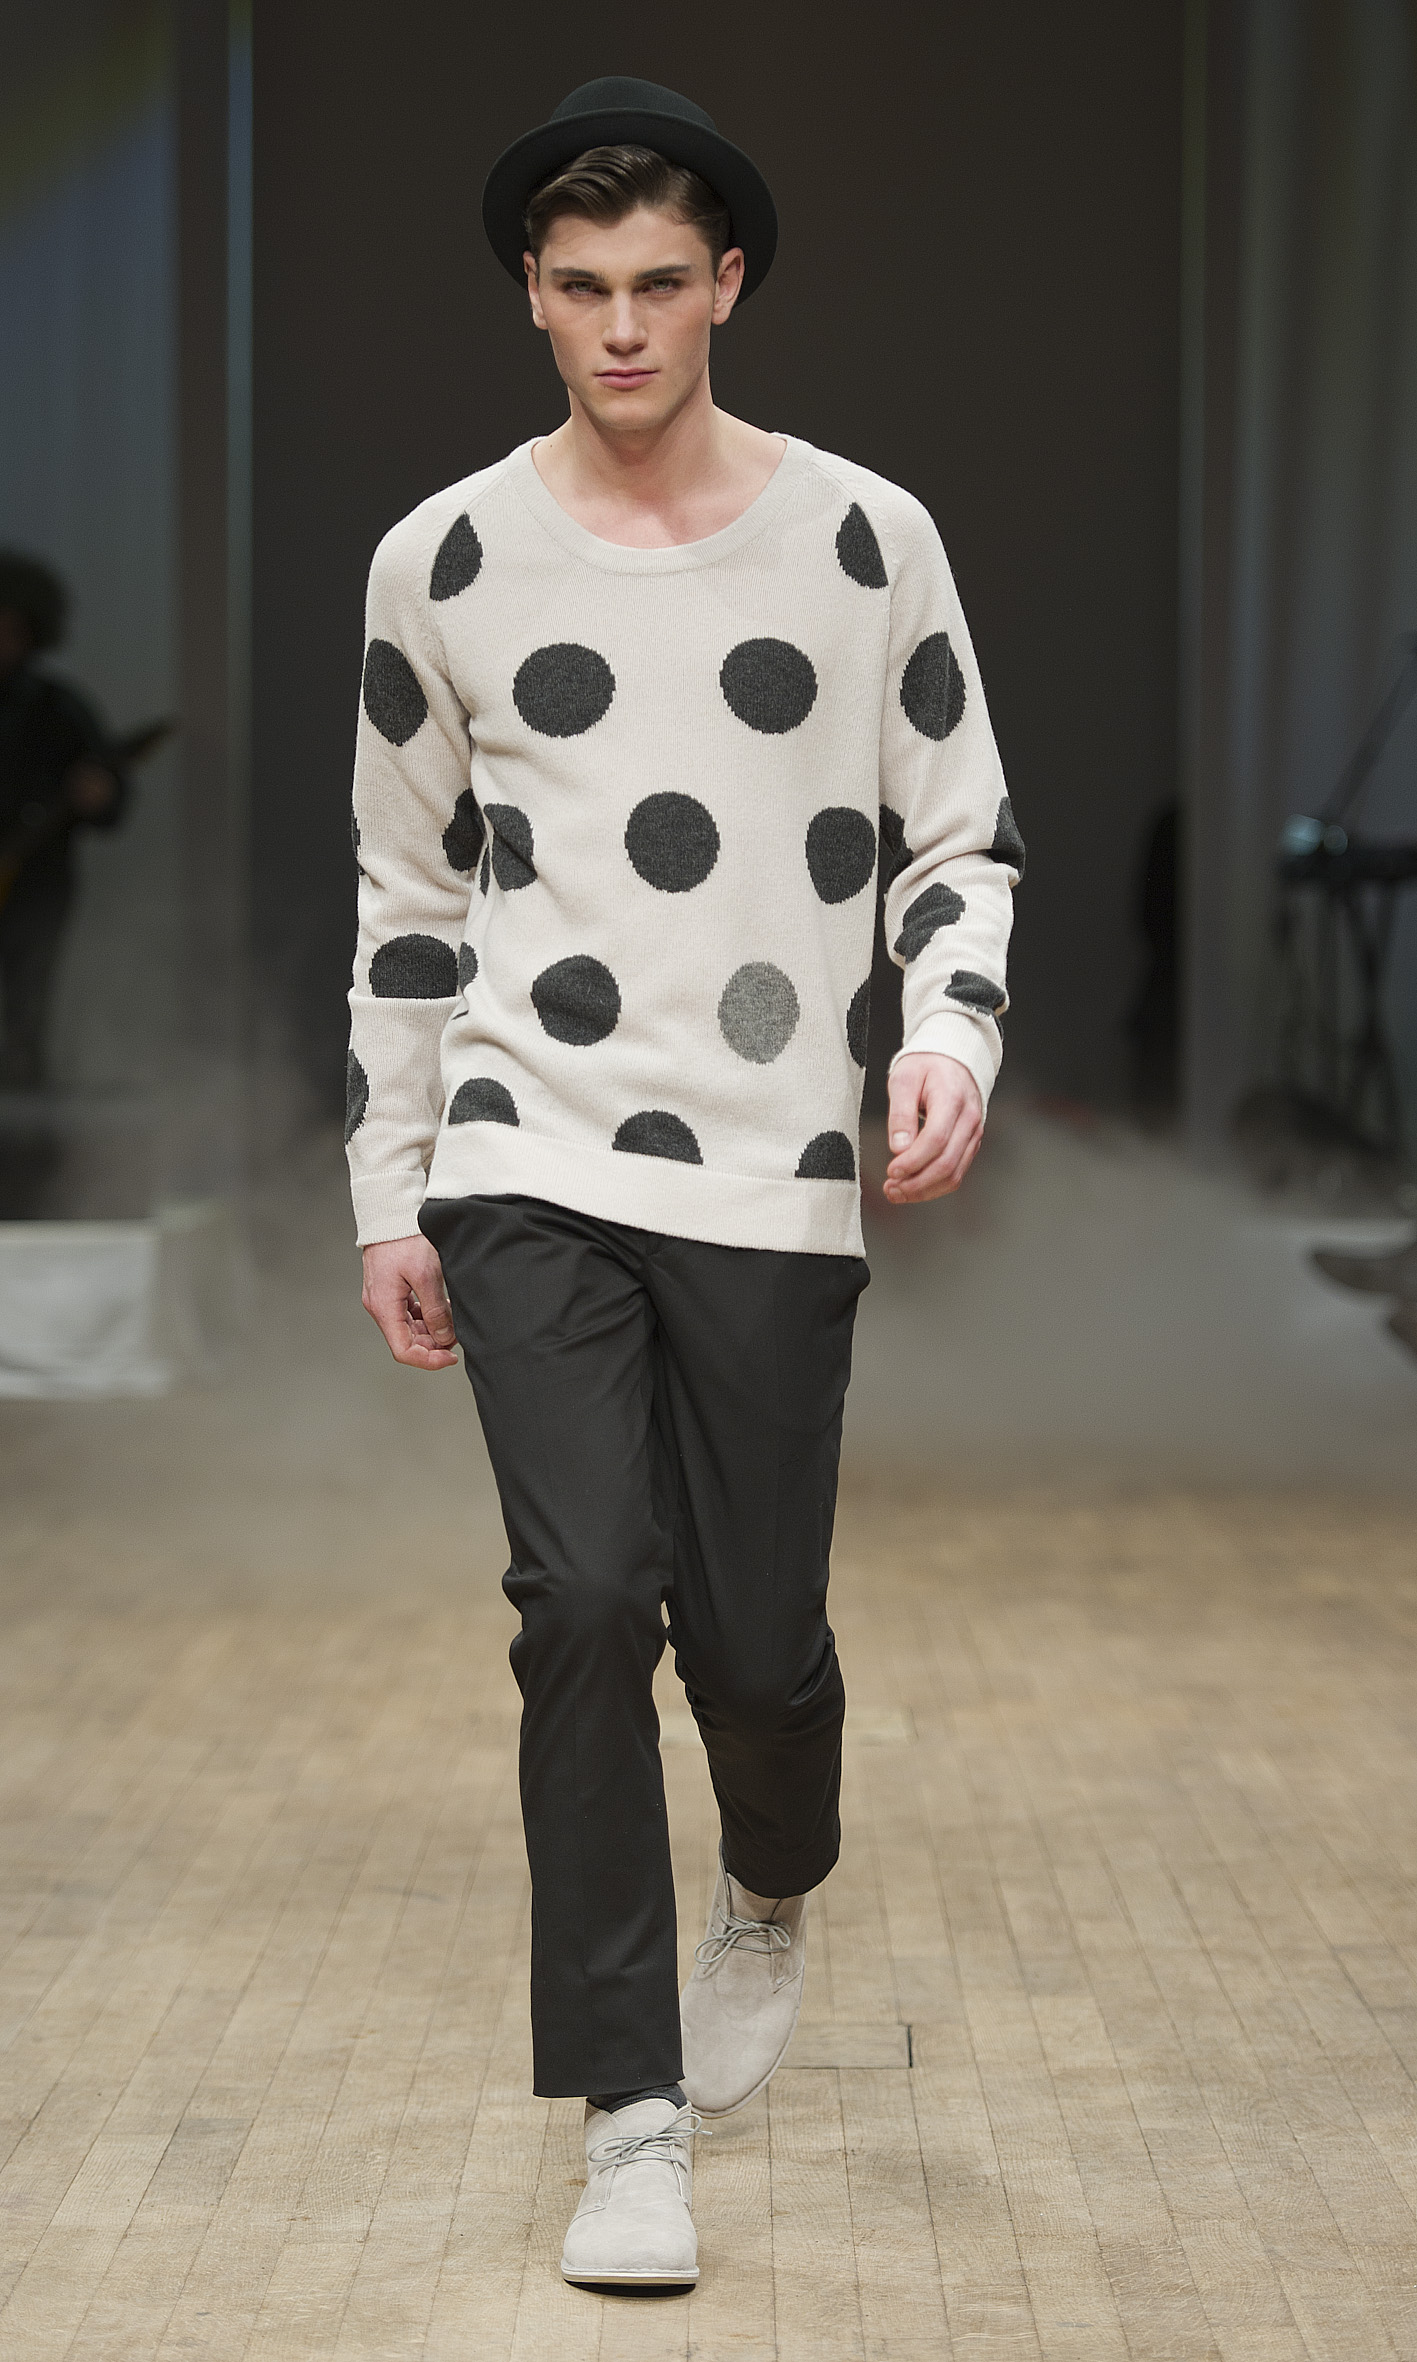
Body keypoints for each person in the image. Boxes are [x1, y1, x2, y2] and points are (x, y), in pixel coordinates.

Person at [347, 77, 1022, 2291]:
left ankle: (774, 1875)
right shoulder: (443, 559)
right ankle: (626, 2116)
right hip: (525, 1144)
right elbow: (406, 899)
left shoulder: (864, 539)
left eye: (659, 284)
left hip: (769, 1163)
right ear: (532, 301)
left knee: (750, 1642)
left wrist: (944, 1031)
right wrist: (391, 1180)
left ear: (725, 284)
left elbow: (957, 831)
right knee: (580, 1600)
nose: (622, 328)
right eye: (582, 290)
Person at [0, 553, 129, 1089]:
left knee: (28, 1003)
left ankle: (26, 1103)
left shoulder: (58, 709)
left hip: (37, 883)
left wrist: (99, 795)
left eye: (10, 627)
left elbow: (110, 797)